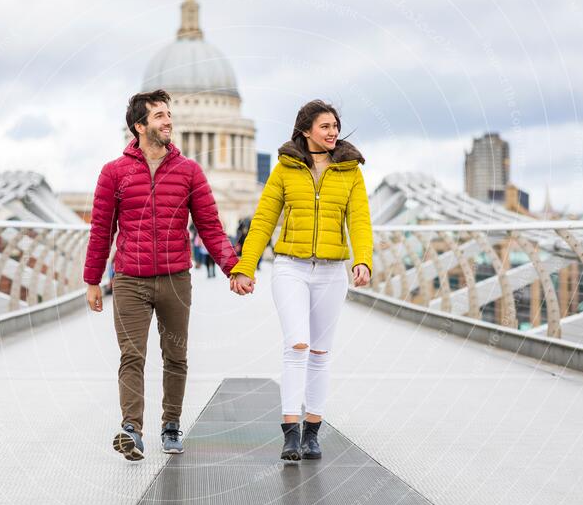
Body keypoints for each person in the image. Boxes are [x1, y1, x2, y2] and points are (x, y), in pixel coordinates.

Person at [84, 89, 238, 460]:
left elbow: (211, 228)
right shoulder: (113, 172)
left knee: (176, 356)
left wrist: (235, 269)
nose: (168, 121)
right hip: (130, 280)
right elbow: (101, 229)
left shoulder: (189, 171)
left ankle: (171, 425)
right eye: (159, 116)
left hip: (174, 279)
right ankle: (131, 430)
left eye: (169, 114)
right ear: (139, 126)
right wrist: (92, 280)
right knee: (131, 355)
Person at [229, 100, 373, 462]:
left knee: (321, 353)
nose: (333, 132)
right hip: (290, 267)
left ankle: (313, 432)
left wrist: (364, 260)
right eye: (325, 126)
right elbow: (263, 221)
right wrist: (245, 267)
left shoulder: (351, 171)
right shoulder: (284, 168)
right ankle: (290, 433)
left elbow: (359, 220)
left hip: (331, 272)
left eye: (335, 126)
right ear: (306, 130)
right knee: (298, 345)